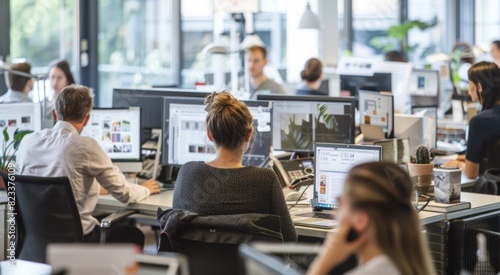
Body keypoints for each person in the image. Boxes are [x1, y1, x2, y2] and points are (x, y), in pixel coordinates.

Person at [16, 85, 160, 242]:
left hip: (34, 241)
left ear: (54, 113)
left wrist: (96, 188)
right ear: (87, 119)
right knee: (134, 235)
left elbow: (47, 184)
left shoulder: (28, 141)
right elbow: (125, 194)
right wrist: (145, 189)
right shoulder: (85, 146)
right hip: (77, 242)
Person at [172, 90, 297, 242]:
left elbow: (175, 228)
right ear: (248, 134)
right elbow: (289, 238)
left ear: (210, 135)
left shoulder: (187, 172)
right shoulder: (265, 179)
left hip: (193, 265)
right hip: (250, 266)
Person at [307, 162, 436, 275]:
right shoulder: (409, 267)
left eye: (340, 203)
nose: (335, 213)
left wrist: (326, 259)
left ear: (361, 220)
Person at [444, 62, 500, 178]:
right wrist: (469, 157)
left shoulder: (479, 121)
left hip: (491, 192)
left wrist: (457, 164)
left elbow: (471, 173)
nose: (468, 90)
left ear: (479, 87)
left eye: (469, 84)